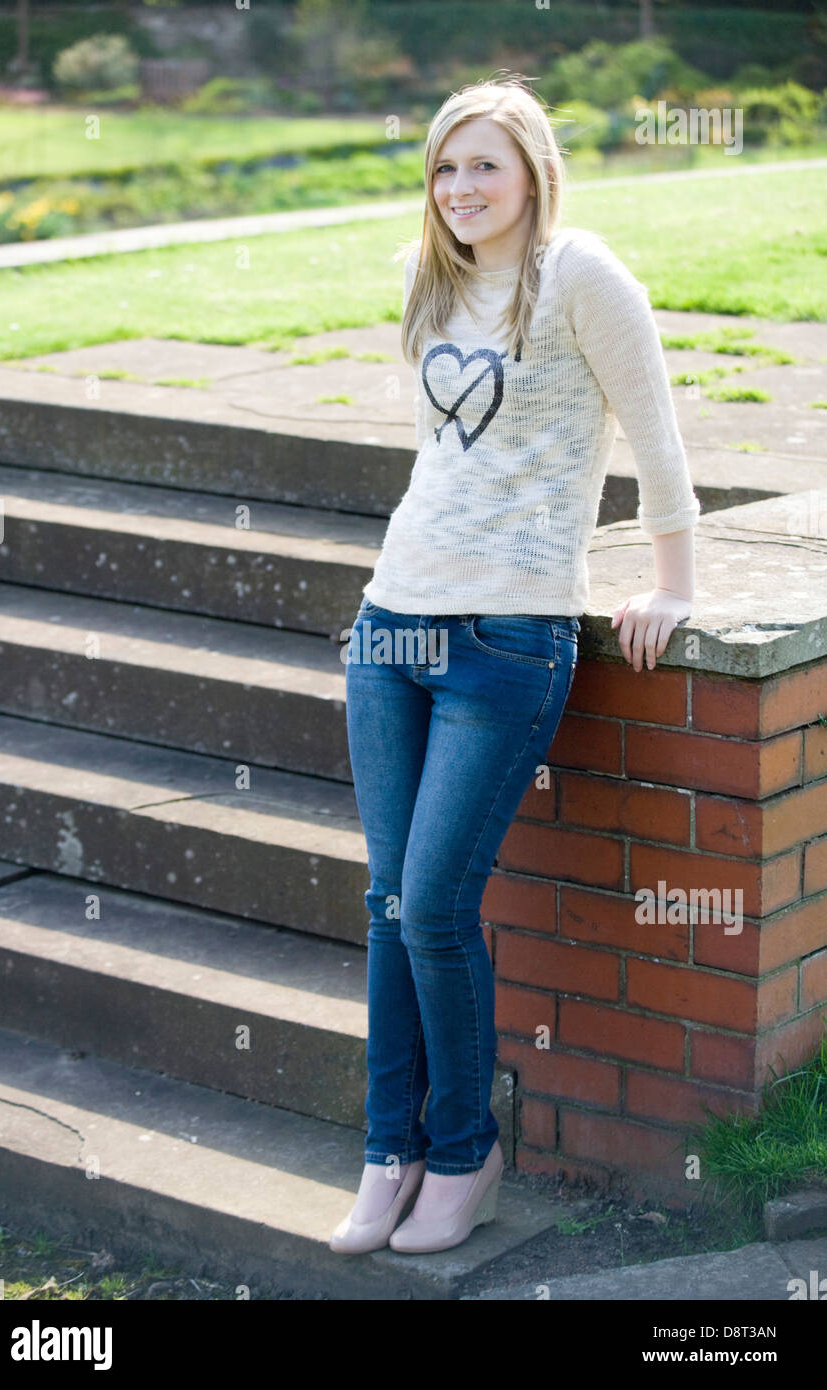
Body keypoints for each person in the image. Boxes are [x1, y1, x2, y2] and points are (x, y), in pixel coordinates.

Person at [330, 77, 699, 1257]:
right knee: (389, 903)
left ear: (532, 169)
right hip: (391, 625)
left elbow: (653, 434)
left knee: (434, 905)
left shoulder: (580, 274)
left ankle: (461, 1148)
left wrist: (672, 580)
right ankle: (386, 1150)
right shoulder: (423, 276)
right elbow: (443, 454)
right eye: (442, 168)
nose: (459, 189)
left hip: (509, 634)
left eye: (481, 165)